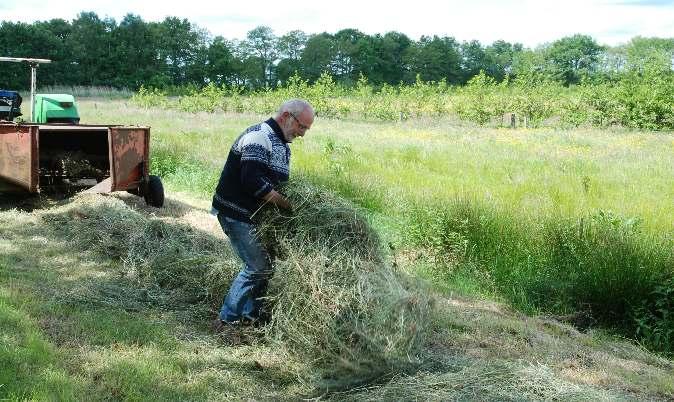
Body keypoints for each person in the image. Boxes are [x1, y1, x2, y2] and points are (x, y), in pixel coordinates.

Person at [212, 99, 314, 330]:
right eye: (302, 127)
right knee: (257, 266)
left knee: (266, 266)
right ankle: (226, 319)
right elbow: (253, 182)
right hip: (235, 212)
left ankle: (251, 315)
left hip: (254, 216)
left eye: (306, 129)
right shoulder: (259, 137)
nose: (303, 134)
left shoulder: (282, 144)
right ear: (287, 116)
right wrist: (288, 205)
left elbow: (277, 183)